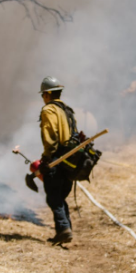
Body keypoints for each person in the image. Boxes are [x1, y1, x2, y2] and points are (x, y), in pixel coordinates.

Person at [38, 76, 77, 244]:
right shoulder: (67, 110)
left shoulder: (49, 110)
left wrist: (46, 159)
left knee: (53, 197)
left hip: (56, 158)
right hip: (70, 160)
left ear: (47, 94)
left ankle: (63, 228)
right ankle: (65, 229)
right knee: (60, 196)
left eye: (42, 95)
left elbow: (51, 136)